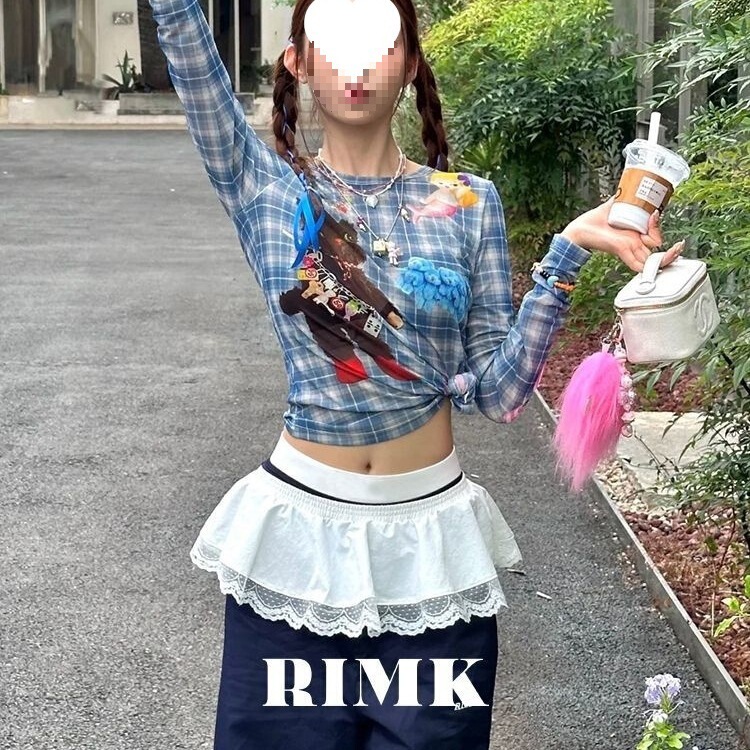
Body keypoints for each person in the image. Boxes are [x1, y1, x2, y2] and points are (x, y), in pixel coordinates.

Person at [149, 1, 682, 747]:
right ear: (299, 62)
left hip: (432, 556)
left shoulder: (467, 202)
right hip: (296, 553)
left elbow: (498, 393)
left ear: (407, 64)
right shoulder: (266, 187)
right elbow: (189, 50)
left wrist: (564, 256)